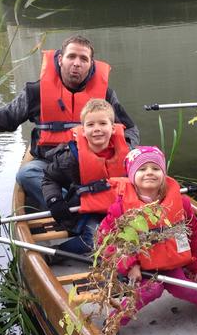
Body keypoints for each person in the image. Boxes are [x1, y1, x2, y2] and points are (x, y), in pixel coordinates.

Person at [0, 35, 139, 209]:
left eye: (83, 59)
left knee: (142, 168)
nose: (77, 63)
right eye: (71, 56)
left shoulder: (105, 95)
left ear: (91, 65)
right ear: (60, 59)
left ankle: (84, 205)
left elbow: (130, 129)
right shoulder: (35, 92)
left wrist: (124, 153)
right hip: (49, 164)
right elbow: (7, 120)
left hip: (92, 164)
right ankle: (72, 206)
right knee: (27, 174)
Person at [98, 146, 197, 331]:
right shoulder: (121, 209)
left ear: (163, 173)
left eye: (155, 169)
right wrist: (130, 265)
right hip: (140, 267)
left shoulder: (182, 203)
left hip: (171, 263)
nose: (149, 173)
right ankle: (113, 323)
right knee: (150, 291)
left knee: (185, 288)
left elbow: (193, 234)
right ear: (132, 176)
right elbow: (106, 239)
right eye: (142, 169)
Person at [41, 98, 131, 255]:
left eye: (103, 123)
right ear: (83, 129)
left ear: (113, 127)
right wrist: (54, 201)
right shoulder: (70, 157)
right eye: (90, 125)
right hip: (86, 212)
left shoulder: (128, 153)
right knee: (96, 238)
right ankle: (55, 253)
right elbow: (49, 178)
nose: (97, 129)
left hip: (121, 209)